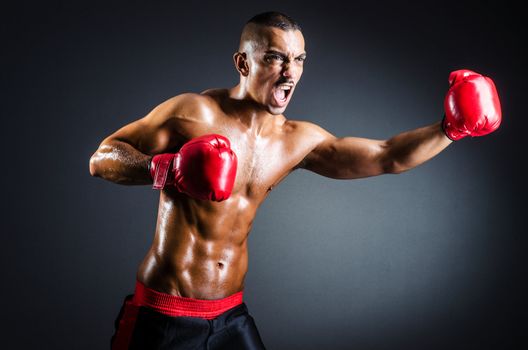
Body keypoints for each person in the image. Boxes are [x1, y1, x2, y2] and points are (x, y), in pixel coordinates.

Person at [89, 11, 501, 350]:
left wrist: (450, 129)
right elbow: (103, 157)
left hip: (230, 315)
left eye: (299, 59)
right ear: (243, 63)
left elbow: (386, 156)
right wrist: (165, 169)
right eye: (275, 58)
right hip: (164, 316)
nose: (290, 71)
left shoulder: (296, 141)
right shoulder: (192, 113)